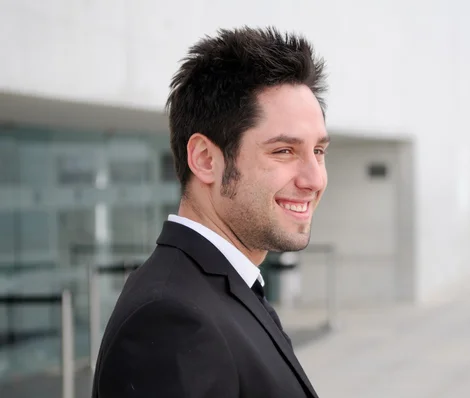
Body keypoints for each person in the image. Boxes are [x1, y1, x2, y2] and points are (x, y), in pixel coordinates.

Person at [91, 26, 329, 398]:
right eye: (284, 151)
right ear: (205, 159)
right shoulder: (170, 323)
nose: (315, 179)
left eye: (319, 151)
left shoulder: (223, 288)